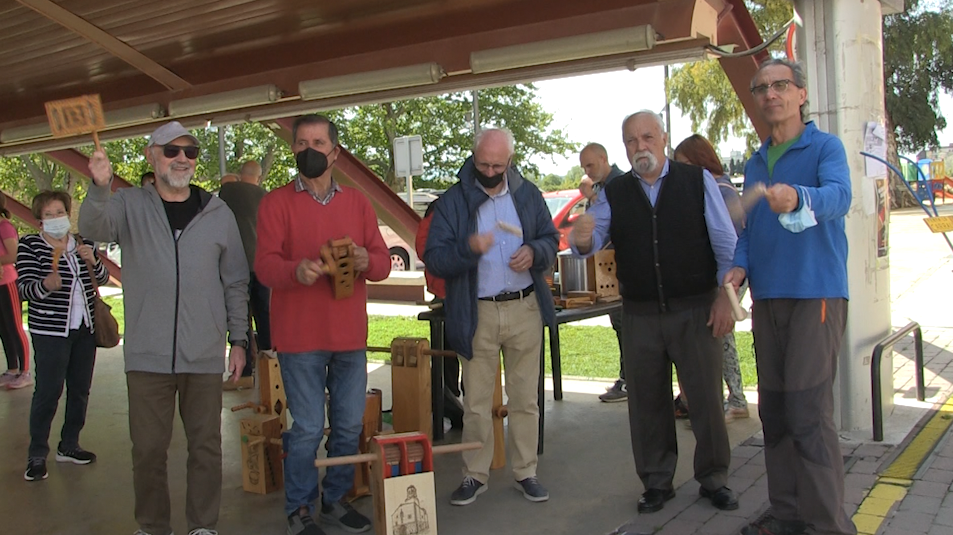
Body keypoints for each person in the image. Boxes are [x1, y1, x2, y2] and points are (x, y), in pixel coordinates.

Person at [81, 121, 249, 535]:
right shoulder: (128, 204)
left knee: (206, 448)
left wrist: (239, 338)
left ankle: (202, 526)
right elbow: (94, 228)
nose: (181, 159)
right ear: (151, 156)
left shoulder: (217, 212)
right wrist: (100, 185)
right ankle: (153, 525)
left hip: (204, 353)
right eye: (171, 151)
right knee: (149, 451)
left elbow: (235, 280)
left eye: (190, 152)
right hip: (147, 355)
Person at [570, 111, 739, 514]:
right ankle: (657, 482)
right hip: (641, 314)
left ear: (663, 139)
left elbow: (725, 243)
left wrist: (725, 298)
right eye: (631, 141)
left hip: (695, 309)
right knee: (646, 404)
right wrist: (581, 238)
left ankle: (714, 478)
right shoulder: (615, 192)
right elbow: (591, 242)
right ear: (624, 147)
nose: (640, 146)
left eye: (647, 137)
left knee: (706, 401)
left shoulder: (696, 181)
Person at [725, 59, 854, 535]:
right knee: (775, 414)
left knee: (807, 414)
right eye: (761, 88)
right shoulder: (757, 161)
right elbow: (749, 231)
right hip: (769, 301)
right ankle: (787, 517)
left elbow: (841, 197)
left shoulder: (824, 148)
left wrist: (800, 197)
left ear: (801, 94)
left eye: (780, 85)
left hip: (815, 296)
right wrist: (739, 267)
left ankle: (827, 525)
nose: (769, 94)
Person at [255, 114, 389, 535]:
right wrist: (296, 271)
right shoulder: (275, 203)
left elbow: (383, 263)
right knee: (309, 427)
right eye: (300, 143)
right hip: (299, 338)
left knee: (349, 424)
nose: (308, 150)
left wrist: (369, 261)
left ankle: (334, 499)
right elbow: (263, 266)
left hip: (349, 337)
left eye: (317, 142)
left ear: (335, 152)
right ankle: (299, 508)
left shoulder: (358, 202)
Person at [425, 127, 558, 506]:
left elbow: (551, 239)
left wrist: (534, 251)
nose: (489, 170)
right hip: (476, 310)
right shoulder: (453, 202)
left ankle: (526, 472)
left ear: (509, 161)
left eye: (497, 164)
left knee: (525, 398)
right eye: (483, 163)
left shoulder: (527, 193)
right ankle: (474, 475)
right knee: (477, 400)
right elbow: (435, 258)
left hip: (524, 306)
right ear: (473, 158)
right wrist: (468, 247)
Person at [18, 190, 109, 481]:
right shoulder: (30, 245)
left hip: (85, 329)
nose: (56, 218)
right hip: (50, 331)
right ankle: (36, 454)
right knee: (47, 392)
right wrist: (45, 284)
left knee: (80, 389)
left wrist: (93, 261)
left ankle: (69, 444)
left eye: (60, 212)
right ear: (39, 220)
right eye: (49, 214)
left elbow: (105, 278)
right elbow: (24, 289)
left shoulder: (83, 243)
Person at [673, 134, 750, 423]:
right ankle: (722, 399)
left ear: (697, 162)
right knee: (721, 335)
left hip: (728, 276)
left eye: (683, 165)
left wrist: (724, 289)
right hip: (727, 275)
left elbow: (726, 241)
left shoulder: (718, 190)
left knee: (721, 335)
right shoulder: (723, 186)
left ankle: (735, 400)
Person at [578, 142, 628, 403]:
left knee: (625, 323)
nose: (587, 171)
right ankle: (627, 376)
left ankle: (629, 379)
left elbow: (616, 224)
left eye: (590, 165)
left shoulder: (620, 184)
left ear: (603, 158)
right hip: (605, 266)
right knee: (619, 324)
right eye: (584, 167)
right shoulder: (599, 188)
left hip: (621, 267)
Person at [219, 159, 270, 390]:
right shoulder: (265, 197)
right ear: (259, 177)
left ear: (241, 174)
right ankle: (271, 365)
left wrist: (235, 177)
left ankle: (245, 370)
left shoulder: (229, 191)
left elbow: (225, 180)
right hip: (261, 264)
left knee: (241, 318)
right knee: (264, 316)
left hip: (236, 265)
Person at [414, 198, 464, 429]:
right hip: (450, 293)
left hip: (449, 293)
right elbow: (426, 249)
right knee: (451, 352)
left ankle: (453, 399)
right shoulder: (445, 212)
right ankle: (452, 401)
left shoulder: (443, 212)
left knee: (450, 351)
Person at [0, 193, 31, 390]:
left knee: (15, 326)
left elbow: (13, 255)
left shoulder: (4, 227)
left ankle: (25, 371)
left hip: (8, 282)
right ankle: (12, 369)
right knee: (3, 328)